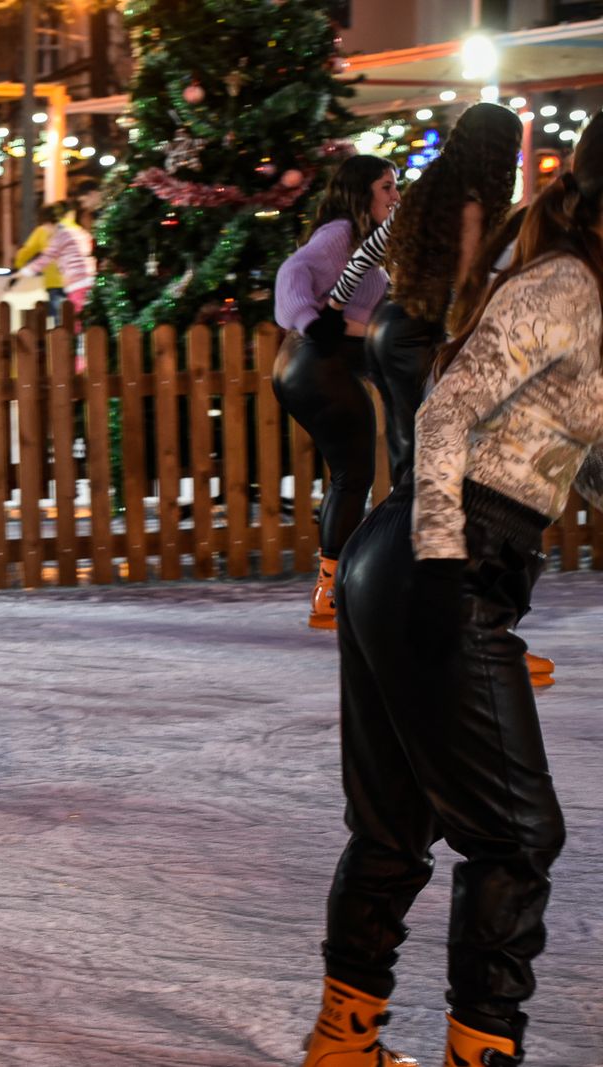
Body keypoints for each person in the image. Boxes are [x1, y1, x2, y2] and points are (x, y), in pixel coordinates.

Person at [299, 116, 603, 1067]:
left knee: (395, 827)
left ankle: (344, 1043)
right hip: (441, 556)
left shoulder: (566, 282)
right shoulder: (566, 284)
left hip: (396, 562)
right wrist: (448, 564)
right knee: (516, 835)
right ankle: (483, 1052)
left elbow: (581, 454)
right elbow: (449, 410)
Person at [328, 102, 523, 485]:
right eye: (512, 147)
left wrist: (334, 305)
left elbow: (368, 251)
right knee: (432, 459)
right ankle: (417, 543)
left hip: (389, 327)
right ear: (495, 150)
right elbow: (464, 289)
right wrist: (465, 346)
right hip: (418, 338)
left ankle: (400, 541)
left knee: (408, 456)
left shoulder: (425, 193)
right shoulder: (471, 205)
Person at [271, 155, 399, 630]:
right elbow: (292, 274)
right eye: (386, 187)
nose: (395, 196)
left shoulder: (365, 243)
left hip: (319, 364)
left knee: (355, 474)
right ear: (359, 192)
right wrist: (312, 320)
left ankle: (337, 585)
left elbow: (362, 317)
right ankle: (330, 589)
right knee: (353, 474)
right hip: (313, 364)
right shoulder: (340, 234)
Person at [10, 201, 96, 323]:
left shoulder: (60, 236)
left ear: (48, 223)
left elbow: (44, 259)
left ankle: (78, 341)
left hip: (75, 283)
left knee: (70, 321)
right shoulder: (79, 231)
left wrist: (20, 272)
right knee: (87, 318)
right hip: (90, 280)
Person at [12, 201, 66, 318]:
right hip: (74, 281)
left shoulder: (42, 231)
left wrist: (19, 267)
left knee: (60, 319)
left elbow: (26, 251)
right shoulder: (72, 228)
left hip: (54, 283)